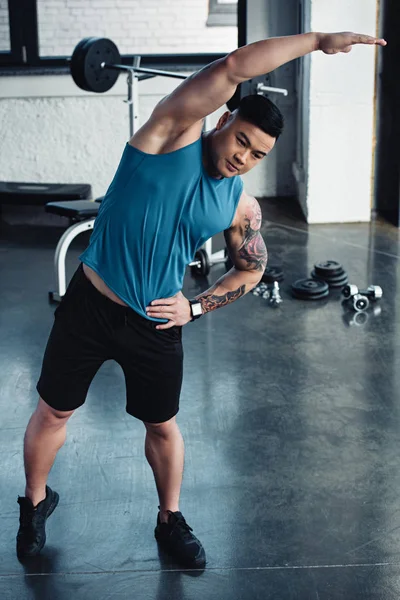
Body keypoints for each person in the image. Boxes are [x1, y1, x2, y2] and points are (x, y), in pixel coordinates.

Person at [16, 31, 386, 568]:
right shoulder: (170, 134)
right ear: (222, 122)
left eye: (257, 154)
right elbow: (235, 66)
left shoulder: (241, 207)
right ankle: (34, 503)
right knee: (54, 411)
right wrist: (319, 40)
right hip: (90, 305)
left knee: (162, 426)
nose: (244, 157)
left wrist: (195, 306)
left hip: (157, 323)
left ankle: (170, 518)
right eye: (241, 141)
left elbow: (251, 269)